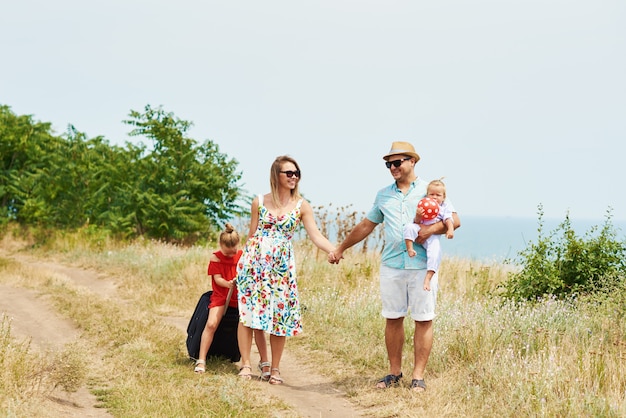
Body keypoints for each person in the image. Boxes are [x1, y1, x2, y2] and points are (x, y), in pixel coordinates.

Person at [328, 141, 460, 392]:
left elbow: (454, 219)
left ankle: (418, 377)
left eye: (397, 162)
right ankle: (393, 372)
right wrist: (341, 248)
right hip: (392, 265)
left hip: (422, 266)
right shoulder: (383, 194)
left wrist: (429, 230)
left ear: (413, 161)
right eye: (389, 164)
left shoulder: (430, 190)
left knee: (423, 319)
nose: (392, 167)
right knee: (393, 318)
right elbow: (367, 225)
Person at [236, 155, 336, 385]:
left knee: (279, 316)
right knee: (248, 315)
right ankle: (247, 364)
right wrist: (241, 265)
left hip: (281, 268)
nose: (294, 177)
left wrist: (334, 251)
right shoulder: (259, 202)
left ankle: (276, 369)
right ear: (276, 175)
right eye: (288, 173)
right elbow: (251, 236)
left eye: (296, 173)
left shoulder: (302, 205)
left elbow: (315, 235)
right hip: (254, 264)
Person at [194, 223, 269, 376]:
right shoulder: (215, 258)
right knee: (211, 323)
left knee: (256, 326)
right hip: (222, 295)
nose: (230, 255)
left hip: (241, 295)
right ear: (221, 245)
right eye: (227, 253)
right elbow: (217, 278)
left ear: (238, 245)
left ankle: (263, 361)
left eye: (232, 252)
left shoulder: (242, 255)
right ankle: (201, 359)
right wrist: (229, 284)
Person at [403, 179, 455, 291]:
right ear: (427, 195)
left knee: (435, 251)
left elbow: (448, 220)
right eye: (431, 194)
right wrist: (418, 216)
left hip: (433, 236)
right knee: (409, 227)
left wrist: (450, 230)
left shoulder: (444, 207)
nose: (434, 197)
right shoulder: (424, 204)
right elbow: (416, 222)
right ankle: (410, 248)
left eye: (438, 195)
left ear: (443, 197)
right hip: (420, 228)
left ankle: (428, 277)